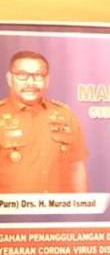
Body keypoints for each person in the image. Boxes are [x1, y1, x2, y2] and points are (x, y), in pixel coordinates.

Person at [0, 50, 88, 194]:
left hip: (58, 208)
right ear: (10, 79)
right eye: (22, 75)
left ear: (47, 80)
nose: (30, 82)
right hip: (11, 208)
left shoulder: (65, 116)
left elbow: (76, 169)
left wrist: (81, 205)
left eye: (38, 75)